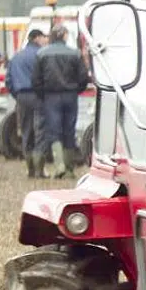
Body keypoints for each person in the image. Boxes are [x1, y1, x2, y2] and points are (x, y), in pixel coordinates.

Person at [31, 25, 89, 178]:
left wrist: (43, 95)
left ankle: (59, 166)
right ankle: (69, 170)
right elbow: (83, 77)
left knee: (54, 132)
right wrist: (76, 90)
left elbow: (35, 80)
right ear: (63, 36)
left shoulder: (42, 53)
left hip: (51, 97)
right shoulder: (75, 54)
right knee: (69, 131)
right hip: (70, 96)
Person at [6, 29, 47, 177]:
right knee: (40, 132)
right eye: (43, 37)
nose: (45, 40)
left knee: (26, 131)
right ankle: (40, 170)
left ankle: (30, 169)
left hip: (22, 97)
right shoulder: (41, 55)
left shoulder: (16, 57)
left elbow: (8, 81)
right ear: (36, 38)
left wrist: (17, 95)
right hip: (39, 96)